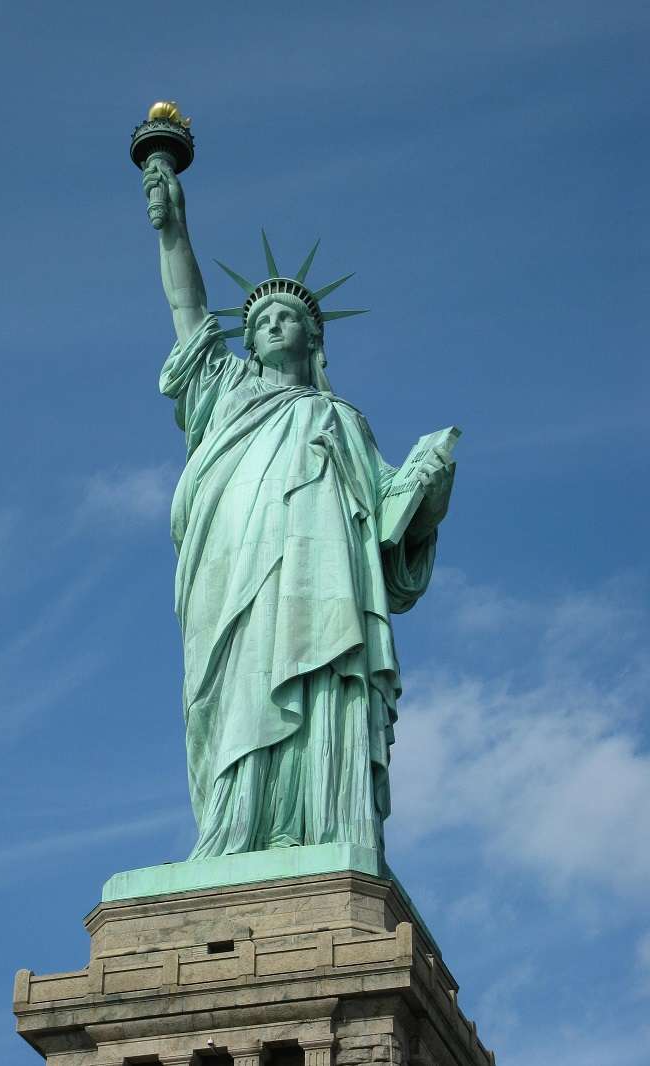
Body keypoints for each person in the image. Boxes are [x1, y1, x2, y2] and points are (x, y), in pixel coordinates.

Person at [142, 158, 455, 860]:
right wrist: (174, 231)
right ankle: (235, 830)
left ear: (314, 339)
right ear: (246, 339)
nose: (276, 324)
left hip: (323, 582)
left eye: (289, 318)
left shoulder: (342, 419)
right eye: (262, 319)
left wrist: (427, 489)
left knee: (322, 680)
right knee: (238, 691)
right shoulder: (224, 395)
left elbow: (388, 523)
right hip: (234, 578)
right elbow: (187, 311)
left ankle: (324, 824)